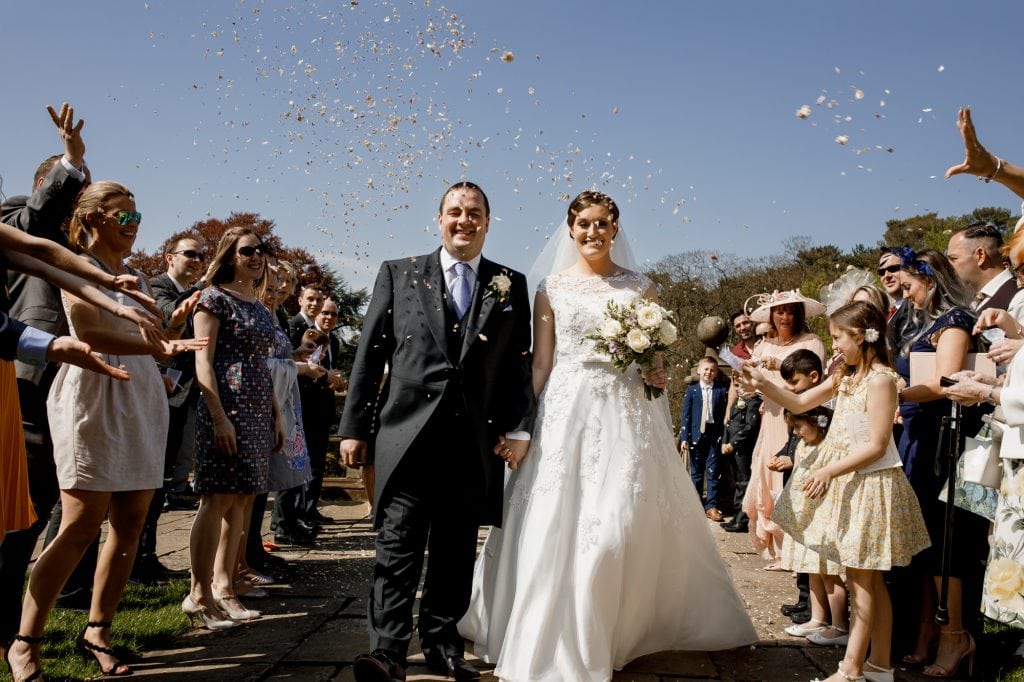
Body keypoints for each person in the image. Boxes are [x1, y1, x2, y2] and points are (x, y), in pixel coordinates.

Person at [458, 190, 756, 682]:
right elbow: (541, 362)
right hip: (566, 413)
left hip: (626, 414)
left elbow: (652, 361)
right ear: (570, 230)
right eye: (584, 224)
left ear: (615, 228)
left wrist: (656, 373)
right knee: (554, 521)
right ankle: (558, 635)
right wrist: (521, 426)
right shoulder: (551, 288)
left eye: (602, 223)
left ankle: (617, 629)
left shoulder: (643, 288)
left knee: (617, 524)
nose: (593, 232)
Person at [338, 182, 536, 682]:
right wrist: (354, 428)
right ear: (439, 219)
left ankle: (443, 646)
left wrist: (518, 428)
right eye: (455, 212)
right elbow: (370, 354)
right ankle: (386, 652)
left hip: (473, 442)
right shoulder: (398, 272)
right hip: (406, 437)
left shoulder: (510, 283)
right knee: (398, 546)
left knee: (455, 550)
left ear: (487, 222)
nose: (464, 220)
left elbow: (517, 366)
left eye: (474, 213)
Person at [6, 180, 203, 681]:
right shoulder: (78, 265)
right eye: (125, 217)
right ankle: (25, 641)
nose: (134, 226)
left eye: (137, 217)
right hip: (93, 391)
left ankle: (99, 629)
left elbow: (155, 341)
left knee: (131, 520)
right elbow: (91, 331)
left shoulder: (136, 277)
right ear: (93, 218)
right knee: (79, 523)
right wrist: (159, 346)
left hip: (140, 393)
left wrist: (173, 329)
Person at [741, 300, 930, 682]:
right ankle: (879, 665)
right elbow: (799, 400)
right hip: (850, 482)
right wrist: (763, 384)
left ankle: (851, 669)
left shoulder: (881, 380)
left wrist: (829, 469)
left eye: (838, 337)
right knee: (868, 580)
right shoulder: (846, 376)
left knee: (862, 581)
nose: (835, 346)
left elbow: (876, 444)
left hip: (871, 484)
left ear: (861, 337)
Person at [889, 247, 987, 675]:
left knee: (947, 540)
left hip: (943, 441)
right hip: (918, 435)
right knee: (925, 541)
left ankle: (955, 635)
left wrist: (894, 392)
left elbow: (946, 382)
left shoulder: (955, 322)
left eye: (909, 286)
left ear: (930, 281)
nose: (906, 295)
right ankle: (928, 628)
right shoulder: (925, 324)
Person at [184, 227, 284, 631]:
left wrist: (276, 415)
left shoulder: (259, 305)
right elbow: (202, 362)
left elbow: (263, 364)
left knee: (244, 500)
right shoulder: (212, 298)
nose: (256, 256)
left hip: (258, 410)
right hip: (226, 406)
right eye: (247, 250)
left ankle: (225, 587)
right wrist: (219, 416)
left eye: (261, 249)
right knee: (217, 499)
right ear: (229, 255)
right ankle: (198, 593)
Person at [742, 290, 826, 568]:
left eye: (791, 311)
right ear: (772, 315)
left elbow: (816, 380)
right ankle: (778, 550)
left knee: (791, 478)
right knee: (767, 478)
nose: (785, 316)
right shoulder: (763, 345)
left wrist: (779, 366)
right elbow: (750, 386)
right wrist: (745, 379)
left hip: (799, 417)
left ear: (799, 314)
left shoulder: (811, 342)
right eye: (780, 311)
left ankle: (795, 551)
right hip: (770, 418)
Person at [775, 405, 850, 648]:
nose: (796, 432)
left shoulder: (831, 448)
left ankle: (840, 624)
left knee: (829, 572)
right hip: (806, 515)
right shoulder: (802, 446)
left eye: (798, 426)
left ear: (818, 422)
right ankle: (818, 618)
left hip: (823, 514)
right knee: (813, 569)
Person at [679, 355, 729, 520]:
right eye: (706, 369)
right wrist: (684, 437)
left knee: (713, 471)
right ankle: (696, 504)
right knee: (696, 472)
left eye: (712, 370)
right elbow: (686, 415)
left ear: (716, 373)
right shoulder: (692, 390)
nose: (709, 372)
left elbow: (725, 414)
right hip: (696, 435)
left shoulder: (721, 390)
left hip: (714, 435)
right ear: (699, 371)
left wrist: (725, 436)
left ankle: (711, 506)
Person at [946, 222, 1024, 320]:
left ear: (980, 255)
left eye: (953, 258)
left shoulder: (1019, 298)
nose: (948, 266)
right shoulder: (972, 302)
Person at [720, 386, 762, 533]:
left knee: (744, 482)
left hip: (744, 448)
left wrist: (733, 443)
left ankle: (743, 519)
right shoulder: (739, 400)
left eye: (743, 385)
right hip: (732, 448)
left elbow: (751, 427)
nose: (739, 388)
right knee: (738, 483)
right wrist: (725, 441)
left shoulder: (754, 403)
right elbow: (729, 423)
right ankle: (737, 515)